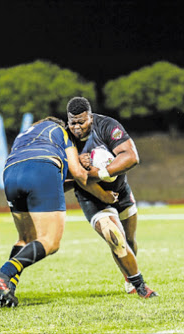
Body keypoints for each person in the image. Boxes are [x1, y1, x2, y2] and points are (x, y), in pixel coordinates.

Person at [0, 116, 92, 307]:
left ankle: (7, 291)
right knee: (50, 241)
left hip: (10, 173)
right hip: (41, 167)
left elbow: (49, 179)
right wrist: (101, 175)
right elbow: (77, 174)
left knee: (25, 238)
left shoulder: (24, 136)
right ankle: (3, 273)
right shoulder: (61, 132)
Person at [65, 96, 158, 298]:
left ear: (90, 117)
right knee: (115, 237)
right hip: (92, 196)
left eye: (81, 122)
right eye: (72, 123)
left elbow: (131, 157)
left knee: (130, 240)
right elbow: (71, 179)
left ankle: (128, 279)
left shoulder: (107, 125)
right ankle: (140, 286)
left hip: (120, 190)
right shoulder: (65, 139)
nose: (77, 127)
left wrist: (100, 172)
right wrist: (78, 169)